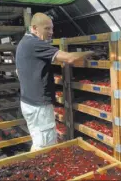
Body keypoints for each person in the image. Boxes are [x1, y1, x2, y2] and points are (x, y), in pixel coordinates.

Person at [15, 13, 94, 152]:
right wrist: (91, 52)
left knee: (39, 140)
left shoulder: (23, 43)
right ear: (34, 28)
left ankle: (37, 168)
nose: (51, 32)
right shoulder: (35, 44)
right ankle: (41, 171)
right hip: (39, 105)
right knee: (45, 146)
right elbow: (69, 58)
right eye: (47, 29)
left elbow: (19, 71)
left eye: (52, 28)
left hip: (28, 102)